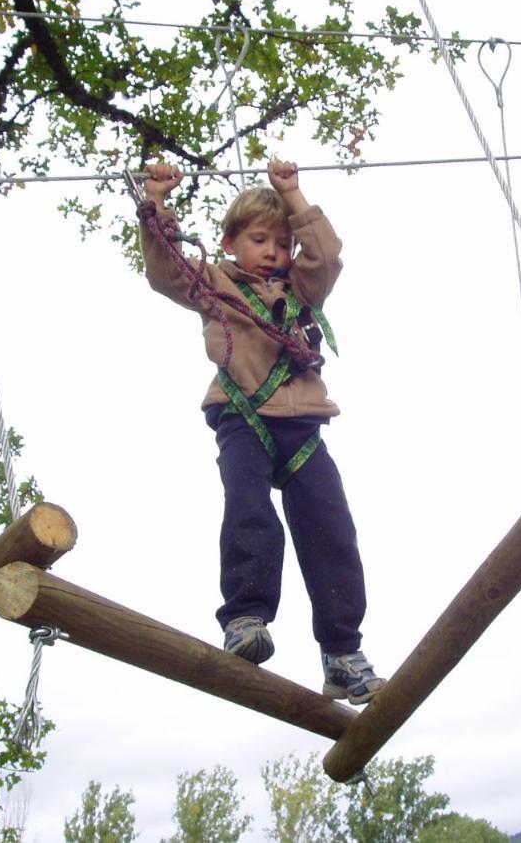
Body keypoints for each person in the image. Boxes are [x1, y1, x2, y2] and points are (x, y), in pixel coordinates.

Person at [137, 158, 385, 705]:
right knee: (249, 508)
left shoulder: (302, 288)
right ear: (229, 243)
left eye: (281, 242)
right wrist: (154, 202)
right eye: (259, 239)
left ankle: (343, 652)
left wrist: (293, 198)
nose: (273, 251)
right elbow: (165, 269)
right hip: (242, 417)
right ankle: (246, 617)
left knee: (332, 529)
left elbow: (326, 254)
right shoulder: (215, 284)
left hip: (302, 428)